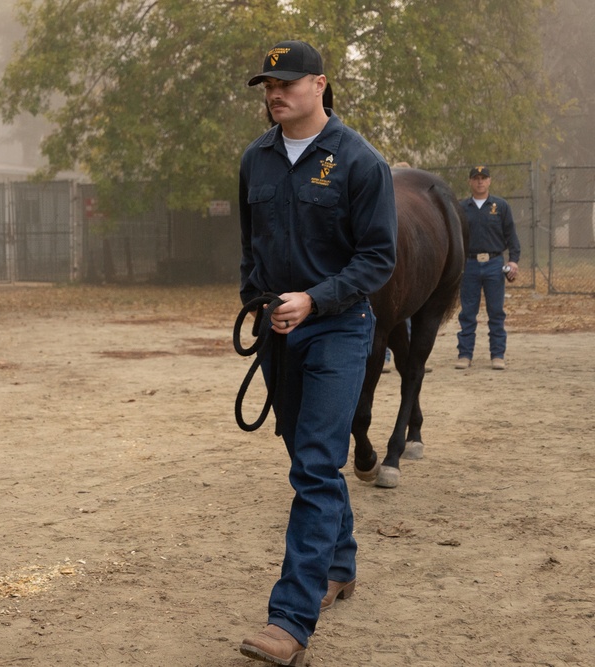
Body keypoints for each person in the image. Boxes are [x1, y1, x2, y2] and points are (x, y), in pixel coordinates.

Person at [237, 40, 397, 665]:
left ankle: (290, 620)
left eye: (287, 82)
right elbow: (252, 248)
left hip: (338, 329)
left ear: (320, 85)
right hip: (280, 332)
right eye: (267, 84)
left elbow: (378, 259)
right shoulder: (256, 159)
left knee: (313, 468)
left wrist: (315, 300)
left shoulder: (360, 162)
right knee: (311, 458)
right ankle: (341, 565)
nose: (275, 93)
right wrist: (260, 302)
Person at [455, 165, 521, 370]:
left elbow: (511, 236)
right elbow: (455, 238)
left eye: (484, 178)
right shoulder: (461, 208)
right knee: (467, 312)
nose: (480, 181)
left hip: (494, 264)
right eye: (476, 178)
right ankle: (465, 355)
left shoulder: (500, 206)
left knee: (496, 311)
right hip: (470, 265)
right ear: (470, 182)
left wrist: (513, 261)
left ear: (490, 181)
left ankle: (497, 355)